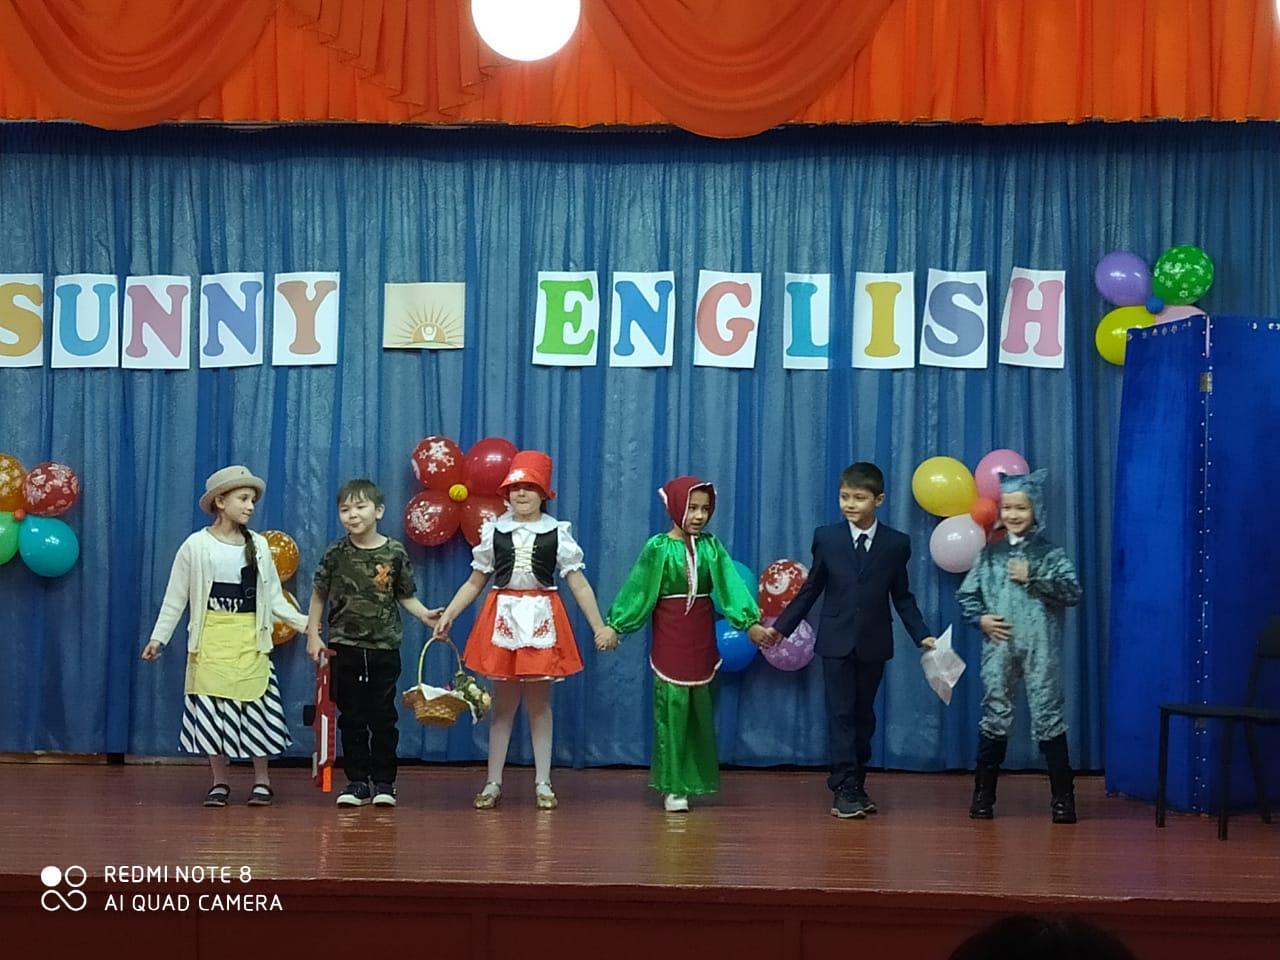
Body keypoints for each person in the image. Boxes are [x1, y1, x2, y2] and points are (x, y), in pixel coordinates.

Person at [434, 450, 610, 810]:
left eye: (530, 486)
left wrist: (599, 626)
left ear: (543, 492)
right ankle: (493, 781)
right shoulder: (495, 531)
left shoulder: (556, 533)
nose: (522, 493)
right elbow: (475, 581)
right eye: (515, 487)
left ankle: (543, 781)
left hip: (542, 616)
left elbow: (579, 585)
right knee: (503, 705)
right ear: (506, 492)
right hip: (503, 617)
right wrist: (449, 613)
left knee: (539, 704)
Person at [598, 476, 778, 812]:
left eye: (705, 509)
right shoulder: (658, 548)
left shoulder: (711, 547)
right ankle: (673, 785)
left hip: (702, 641)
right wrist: (616, 625)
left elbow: (730, 585)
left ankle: (695, 779)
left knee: (700, 710)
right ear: (675, 506)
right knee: (672, 709)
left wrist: (749, 624)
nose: (698, 515)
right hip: (671, 640)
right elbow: (638, 589)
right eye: (692, 507)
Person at [773, 461, 936, 819]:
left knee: (864, 717)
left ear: (879, 500)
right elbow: (811, 589)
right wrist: (781, 628)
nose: (849, 504)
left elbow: (902, 597)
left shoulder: (896, 544)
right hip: (835, 642)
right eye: (844, 496)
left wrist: (922, 634)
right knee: (841, 714)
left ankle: (857, 783)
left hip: (874, 642)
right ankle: (843, 787)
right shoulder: (827, 537)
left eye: (859, 498)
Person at [142, 465, 310, 807]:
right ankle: (219, 782)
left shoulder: (259, 546)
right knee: (212, 715)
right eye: (243, 499)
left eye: (252, 501)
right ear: (220, 501)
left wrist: (309, 624)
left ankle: (262, 780)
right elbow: (176, 598)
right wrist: (159, 638)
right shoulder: (196, 546)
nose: (250, 506)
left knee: (256, 712)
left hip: (249, 641)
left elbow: (275, 600)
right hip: (210, 642)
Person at [305, 478, 441, 808]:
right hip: (343, 647)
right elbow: (319, 593)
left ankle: (384, 783)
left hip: (384, 648)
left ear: (378, 511)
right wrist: (313, 634)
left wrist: (425, 615)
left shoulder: (394, 552)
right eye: (345, 509)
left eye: (360, 507)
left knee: (382, 718)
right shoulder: (335, 553)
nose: (352, 514)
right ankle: (356, 783)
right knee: (351, 717)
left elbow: (404, 595)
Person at [956, 469, 1082, 823]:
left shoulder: (1050, 554)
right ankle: (983, 796)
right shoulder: (990, 555)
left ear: (1035, 510)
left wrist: (1035, 577)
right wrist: (980, 618)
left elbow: (1072, 592)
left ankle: (1063, 799)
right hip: (999, 647)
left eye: (1021, 508)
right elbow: (967, 595)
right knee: (995, 714)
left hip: (1041, 647)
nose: (1013, 514)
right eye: (1008, 507)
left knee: (1048, 715)